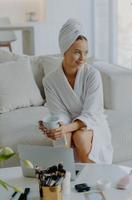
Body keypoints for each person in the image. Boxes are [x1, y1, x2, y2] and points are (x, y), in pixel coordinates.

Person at [39, 19, 113, 164]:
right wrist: (58, 127)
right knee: (62, 138)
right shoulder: (50, 81)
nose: (83, 58)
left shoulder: (93, 75)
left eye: (85, 52)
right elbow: (59, 112)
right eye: (77, 53)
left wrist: (67, 128)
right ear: (64, 51)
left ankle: (91, 178)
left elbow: (91, 113)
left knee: (79, 136)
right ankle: (67, 181)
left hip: (92, 123)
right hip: (67, 122)